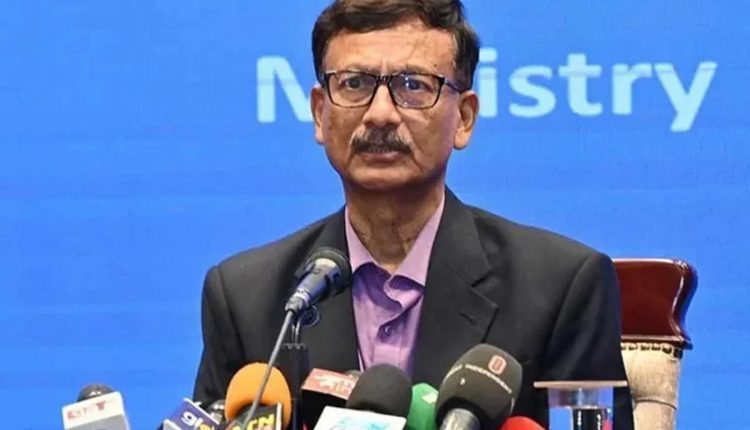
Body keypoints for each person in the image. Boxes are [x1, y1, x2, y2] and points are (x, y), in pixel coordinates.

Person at [193, 0, 634, 427]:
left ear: (464, 118)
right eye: (354, 84)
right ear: (320, 113)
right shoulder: (249, 300)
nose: (380, 114)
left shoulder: (560, 287)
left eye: (413, 85)